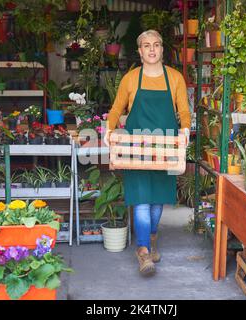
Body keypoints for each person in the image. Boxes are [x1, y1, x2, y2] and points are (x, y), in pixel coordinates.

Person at [104, 30, 191, 276]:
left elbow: (184, 111)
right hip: (136, 148)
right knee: (141, 201)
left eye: (156, 45)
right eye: (146, 46)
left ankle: (150, 237)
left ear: (162, 50)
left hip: (166, 148)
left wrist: (184, 130)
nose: (151, 49)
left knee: (157, 201)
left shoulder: (175, 78)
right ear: (140, 52)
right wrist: (108, 131)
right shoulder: (131, 79)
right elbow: (115, 109)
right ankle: (143, 251)